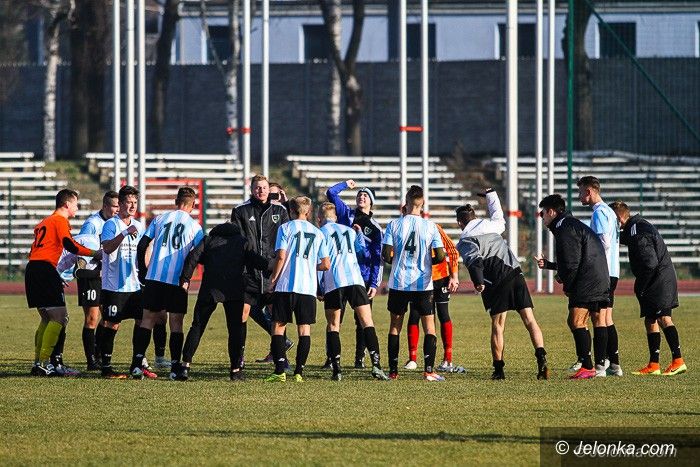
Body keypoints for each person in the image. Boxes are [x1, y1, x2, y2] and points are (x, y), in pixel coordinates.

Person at [456, 189, 548, 380]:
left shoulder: (465, 239)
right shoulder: (492, 226)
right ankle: (542, 359)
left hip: (496, 281)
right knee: (530, 320)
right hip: (515, 273)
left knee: (498, 325)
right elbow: (498, 214)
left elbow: (474, 261)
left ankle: (499, 370)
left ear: (459, 223)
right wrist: (491, 195)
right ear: (474, 216)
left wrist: (478, 282)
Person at [177, 221, 272, 381]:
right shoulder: (241, 242)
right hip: (233, 290)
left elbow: (193, 258)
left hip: (210, 288)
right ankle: (235, 370)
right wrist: (273, 265)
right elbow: (258, 261)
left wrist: (185, 279)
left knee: (197, 326)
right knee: (235, 330)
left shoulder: (208, 240)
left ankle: (185, 366)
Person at [131, 187, 204, 379]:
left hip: (154, 277)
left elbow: (142, 245)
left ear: (176, 201)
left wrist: (143, 271)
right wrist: (187, 276)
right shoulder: (195, 227)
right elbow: (199, 254)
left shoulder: (160, 219)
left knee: (147, 319)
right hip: (177, 281)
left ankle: (137, 365)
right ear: (193, 205)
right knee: (176, 323)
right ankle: (174, 367)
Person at [534, 194, 610, 380]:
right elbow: (575, 258)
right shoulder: (571, 224)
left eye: (543, 213)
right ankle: (600, 365)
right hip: (600, 276)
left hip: (587, 279)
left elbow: (571, 262)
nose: (542, 218)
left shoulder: (564, 227)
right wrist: (551, 266)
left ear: (551, 212)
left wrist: (567, 283)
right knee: (598, 319)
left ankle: (587, 366)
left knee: (576, 321)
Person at [25, 189, 100, 376]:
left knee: (47, 317)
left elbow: (36, 250)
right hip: (45, 269)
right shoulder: (60, 221)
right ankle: (44, 364)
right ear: (67, 204)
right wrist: (94, 253)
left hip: (34, 268)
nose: (77, 208)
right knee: (60, 317)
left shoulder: (45, 222)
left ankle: (39, 363)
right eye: (76, 204)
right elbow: (70, 245)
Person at [610, 201, 687, 376]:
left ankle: (678, 361)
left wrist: (641, 285)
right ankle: (654, 364)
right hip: (658, 278)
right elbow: (625, 239)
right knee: (650, 319)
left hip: (658, 280)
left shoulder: (637, 230)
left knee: (664, 318)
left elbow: (650, 263)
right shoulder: (635, 227)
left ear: (619, 218)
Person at [317, 202, 389, 381]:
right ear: (336, 217)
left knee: (334, 325)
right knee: (367, 322)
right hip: (355, 280)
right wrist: (359, 235)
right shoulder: (349, 230)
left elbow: (321, 263)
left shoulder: (320, 233)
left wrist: (319, 288)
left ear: (319, 219)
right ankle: (377, 366)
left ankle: (337, 370)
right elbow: (362, 253)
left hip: (334, 281)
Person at [382, 185, 446, 381]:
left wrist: (397, 260)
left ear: (406, 203)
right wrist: (426, 262)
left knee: (395, 327)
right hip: (422, 284)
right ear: (422, 204)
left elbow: (386, 255)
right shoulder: (431, 226)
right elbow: (441, 256)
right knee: (429, 328)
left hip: (399, 282)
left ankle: (393, 372)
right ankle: (429, 371)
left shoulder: (394, 225)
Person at [265, 196, 330, 383]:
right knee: (304, 329)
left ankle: (280, 371)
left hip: (286, 285)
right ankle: (299, 372)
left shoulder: (285, 228)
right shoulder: (317, 233)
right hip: (307, 287)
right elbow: (325, 264)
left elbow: (281, 257)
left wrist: (273, 280)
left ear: (291, 211)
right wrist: (309, 266)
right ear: (308, 212)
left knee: (278, 326)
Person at [231, 175, 292, 366]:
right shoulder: (240, 211)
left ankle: (280, 358)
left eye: (264, 187)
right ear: (252, 190)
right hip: (248, 273)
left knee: (277, 317)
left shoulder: (280, 210)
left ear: (268, 189)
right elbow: (238, 242)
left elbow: (287, 240)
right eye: (257, 188)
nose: (261, 191)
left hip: (273, 273)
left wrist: (276, 265)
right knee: (243, 313)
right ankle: (239, 357)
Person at [326, 179, 382, 368]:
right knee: (335, 318)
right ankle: (331, 358)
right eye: (359, 194)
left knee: (362, 321)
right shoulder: (346, 214)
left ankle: (360, 358)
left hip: (362, 278)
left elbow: (376, 258)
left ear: (371, 201)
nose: (361, 197)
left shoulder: (375, 227)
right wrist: (345, 184)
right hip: (340, 274)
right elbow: (331, 193)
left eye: (366, 195)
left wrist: (374, 283)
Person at [97, 185, 151, 379]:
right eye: (129, 202)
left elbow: (143, 252)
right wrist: (125, 233)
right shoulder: (111, 225)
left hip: (134, 285)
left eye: (135, 202)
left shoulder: (139, 225)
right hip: (114, 285)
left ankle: (137, 364)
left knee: (142, 321)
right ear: (119, 204)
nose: (132, 206)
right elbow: (107, 249)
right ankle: (106, 367)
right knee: (112, 324)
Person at [576, 176, 622, 377]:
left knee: (599, 318)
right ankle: (614, 365)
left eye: (580, 192)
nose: (579, 196)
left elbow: (603, 243)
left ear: (589, 191)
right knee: (606, 317)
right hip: (611, 271)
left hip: (602, 272)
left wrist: (589, 264)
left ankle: (601, 366)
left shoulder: (600, 212)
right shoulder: (609, 212)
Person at [404, 221, 461, 372]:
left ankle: (447, 359)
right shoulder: (405, 227)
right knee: (414, 314)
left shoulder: (434, 227)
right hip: (419, 279)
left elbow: (453, 251)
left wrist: (454, 276)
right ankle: (412, 359)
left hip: (439, 277)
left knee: (443, 314)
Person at [74, 190, 119, 370]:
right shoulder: (92, 224)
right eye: (115, 206)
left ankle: (98, 354)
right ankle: (91, 360)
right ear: (105, 206)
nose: (118, 209)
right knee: (92, 318)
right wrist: (89, 270)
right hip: (92, 276)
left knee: (110, 318)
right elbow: (82, 250)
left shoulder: (116, 223)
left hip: (108, 277)